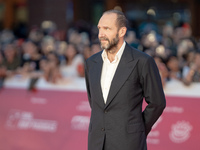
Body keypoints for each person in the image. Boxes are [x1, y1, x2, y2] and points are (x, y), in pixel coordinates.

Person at [84, 9, 166, 150]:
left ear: (122, 32)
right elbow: (95, 103)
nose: (101, 34)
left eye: (107, 28)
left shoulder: (142, 61)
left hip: (129, 143)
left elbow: (157, 103)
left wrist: (136, 130)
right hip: (96, 143)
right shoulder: (91, 63)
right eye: (99, 28)